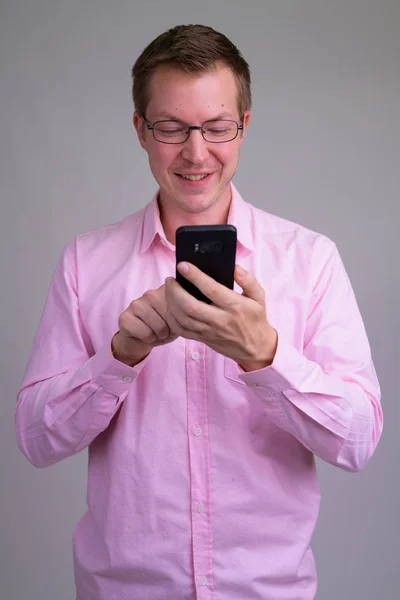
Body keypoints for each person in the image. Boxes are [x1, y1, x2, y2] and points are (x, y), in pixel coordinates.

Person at [15, 24, 383, 600]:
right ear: (140, 129)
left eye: (216, 127)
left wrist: (266, 356)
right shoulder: (86, 264)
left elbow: (358, 441)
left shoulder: (311, 261)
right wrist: (117, 359)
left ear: (244, 126)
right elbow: (35, 440)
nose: (195, 152)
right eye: (170, 127)